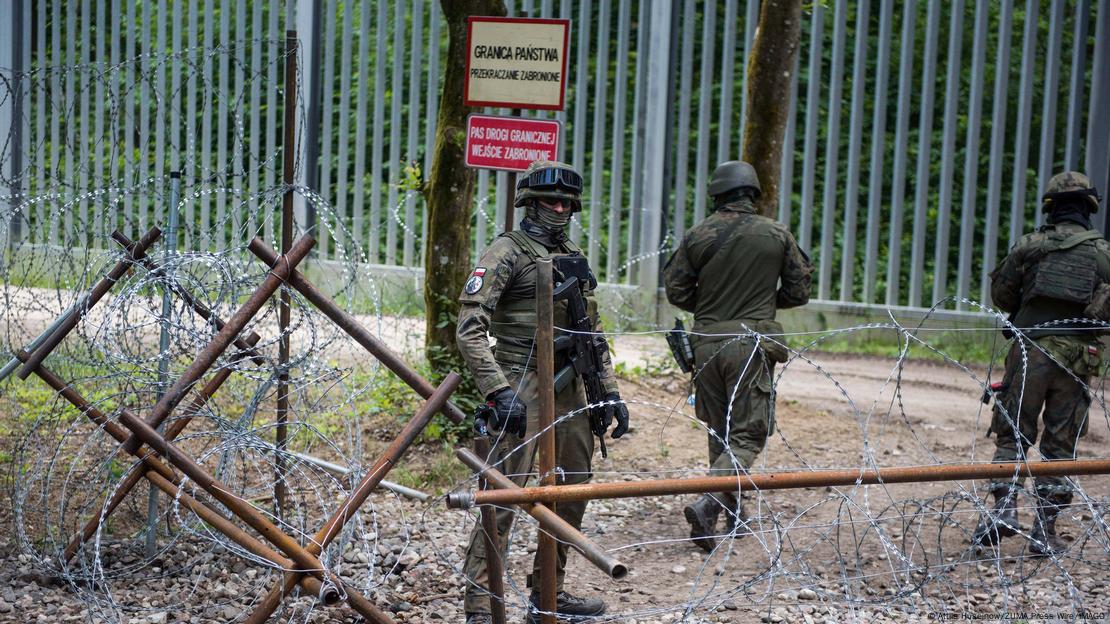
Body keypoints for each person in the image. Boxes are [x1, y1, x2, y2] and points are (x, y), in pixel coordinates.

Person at [456, 160, 630, 624]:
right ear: (528, 204)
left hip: (573, 385)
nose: (558, 209)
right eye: (549, 201)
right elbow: (470, 328)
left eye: (566, 203)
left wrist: (608, 392)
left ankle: (547, 592)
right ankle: (479, 603)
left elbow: (590, 332)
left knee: (572, 490)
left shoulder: (572, 252)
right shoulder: (506, 252)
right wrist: (498, 390)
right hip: (522, 380)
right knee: (504, 495)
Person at [662, 160, 812, 553]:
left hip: (706, 343)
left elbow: (676, 291)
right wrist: (762, 303)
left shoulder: (698, 235)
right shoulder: (775, 234)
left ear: (717, 194)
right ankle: (710, 499)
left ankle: (732, 512)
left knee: (719, 427)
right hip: (750, 342)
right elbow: (799, 291)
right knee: (749, 431)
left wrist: (712, 304)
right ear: (753, 194)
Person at [973, 171, 1110, 556]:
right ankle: (1044, 533)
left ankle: (1004, 511)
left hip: (1030, 351)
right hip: (1078, 359)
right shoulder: (1103, 253)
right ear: (1090, 208)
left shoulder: (1029, 246)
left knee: (1012, 433)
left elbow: (1002, 295)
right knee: (1059, 445)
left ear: (1050, 207)